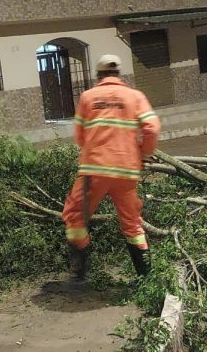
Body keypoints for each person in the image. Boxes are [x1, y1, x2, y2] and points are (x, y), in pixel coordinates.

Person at [61, 54, 161, 281]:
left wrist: (95, 147)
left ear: (98, 76)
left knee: (75, 216)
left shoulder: (88, 97)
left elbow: (79, 136)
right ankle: (146, 278)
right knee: (132, 223)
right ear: (119, 75)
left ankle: (80, 272)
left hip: (94, 171)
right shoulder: (135, 96)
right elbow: (152, 128)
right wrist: (144, 154)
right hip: (127, 171)